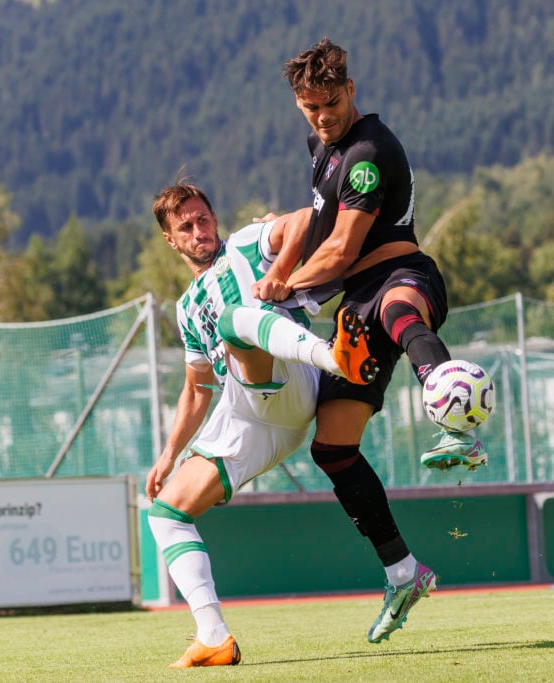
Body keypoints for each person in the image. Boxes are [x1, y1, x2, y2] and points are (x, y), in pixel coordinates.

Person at [252, 38, 489, 644]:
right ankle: (403, 572)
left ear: (351, 91)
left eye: (331, 103)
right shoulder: (321, 147)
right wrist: (272, 244)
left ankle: (459, 425)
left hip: (401, 275)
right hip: (355, 304)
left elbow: (341, 250)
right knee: (332, 450)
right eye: (310, 107)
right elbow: (316, 224)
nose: (322, 116)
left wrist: (281, 282)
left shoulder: (368, 151)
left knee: (397, 309)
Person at [145, 182, 377, 668]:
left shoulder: (247, 243)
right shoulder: (187, 309)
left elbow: (303, 221)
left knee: (234, 321)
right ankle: (214, 638)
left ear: (214, 217)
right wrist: (167, 457)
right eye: (185, 226)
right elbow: (196, 390)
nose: (198, 230)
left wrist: (277, 270)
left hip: (291, 377)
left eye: (203, 218)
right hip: (251, 413)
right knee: (166, 514)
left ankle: (335, 355)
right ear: (171, 240)